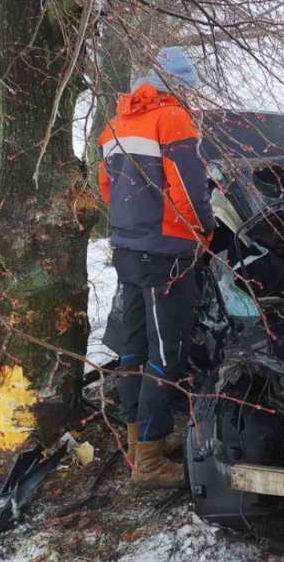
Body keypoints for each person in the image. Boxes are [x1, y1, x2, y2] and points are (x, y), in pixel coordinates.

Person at [97, 47, 214, 487]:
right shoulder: (172, 119)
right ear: (178, 86)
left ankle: (137, 441)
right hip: (164, 253)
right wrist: (204, 232)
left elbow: (108, 187)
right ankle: (149, 461)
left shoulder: (115, 125)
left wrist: (133, 228)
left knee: (135, 348)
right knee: (166, 355)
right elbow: (189, 187)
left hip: (128, 250)